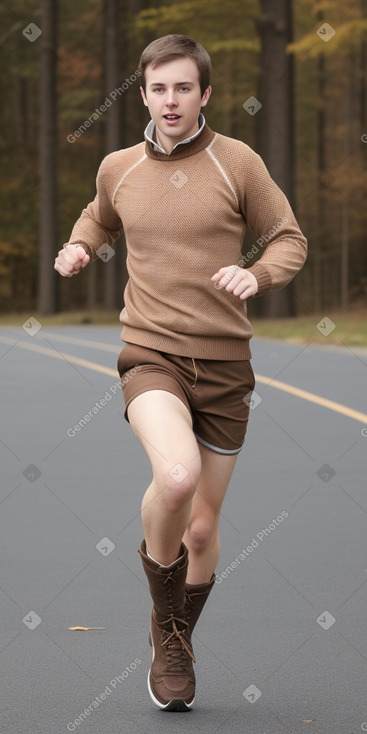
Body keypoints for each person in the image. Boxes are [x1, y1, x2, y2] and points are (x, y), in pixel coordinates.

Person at [54, 33, 307, 712]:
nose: (170, 100)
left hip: (225, 366)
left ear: (205, 94)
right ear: (143, 93)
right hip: (150, 353)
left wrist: (254, 274)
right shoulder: (120, 167)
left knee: (200, 531)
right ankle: (168, 636)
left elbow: (288, 238)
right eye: (158, 88)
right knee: (175, 477)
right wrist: (81, 247)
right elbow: (98, 216)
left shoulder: (238, 164)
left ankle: (174, 634)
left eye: (183, 88)